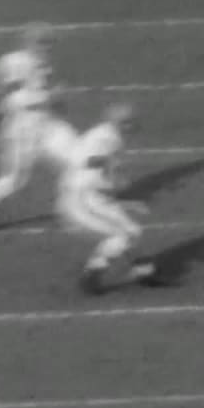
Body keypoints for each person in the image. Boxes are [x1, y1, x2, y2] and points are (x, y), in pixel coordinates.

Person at [0, 23, 78, 229]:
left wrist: (58, 103)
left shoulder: (42, 62)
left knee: (76, 160)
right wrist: (49, 96)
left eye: (49, 43)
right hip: (20, 129)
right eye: (43, 42)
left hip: (47, 124)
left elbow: (47, 94)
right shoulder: (14, 63)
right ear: (30, 42)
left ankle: (75, 208)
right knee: (15, 180)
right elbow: (13, 101)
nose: (47, 48)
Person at [56, 104, 157, 295]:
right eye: (130, 122)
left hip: (93, 193)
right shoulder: (106, 138)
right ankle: (91, 274)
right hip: (83, 196)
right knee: (121, 236)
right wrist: (109, 166)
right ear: (120, 122)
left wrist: (122, 195)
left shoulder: (105, 134)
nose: (133, 126)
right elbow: (85, 161)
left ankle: (144, 273)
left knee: (133, 231)